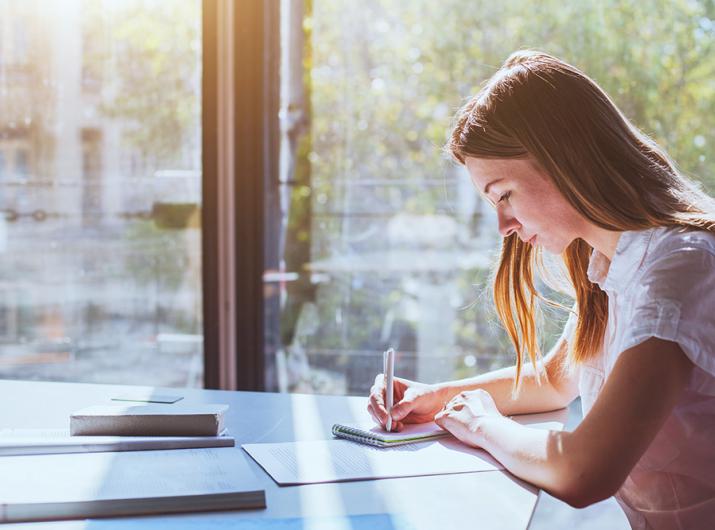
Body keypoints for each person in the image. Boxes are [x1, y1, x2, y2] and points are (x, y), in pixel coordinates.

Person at [367, 50, 715, 529]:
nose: (503, 225)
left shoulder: (679, 270)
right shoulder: (612, 265)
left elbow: (582, 471)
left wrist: (482, 425)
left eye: (503, 194)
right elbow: (554, 381)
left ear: (564, 158)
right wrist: (434, 396)